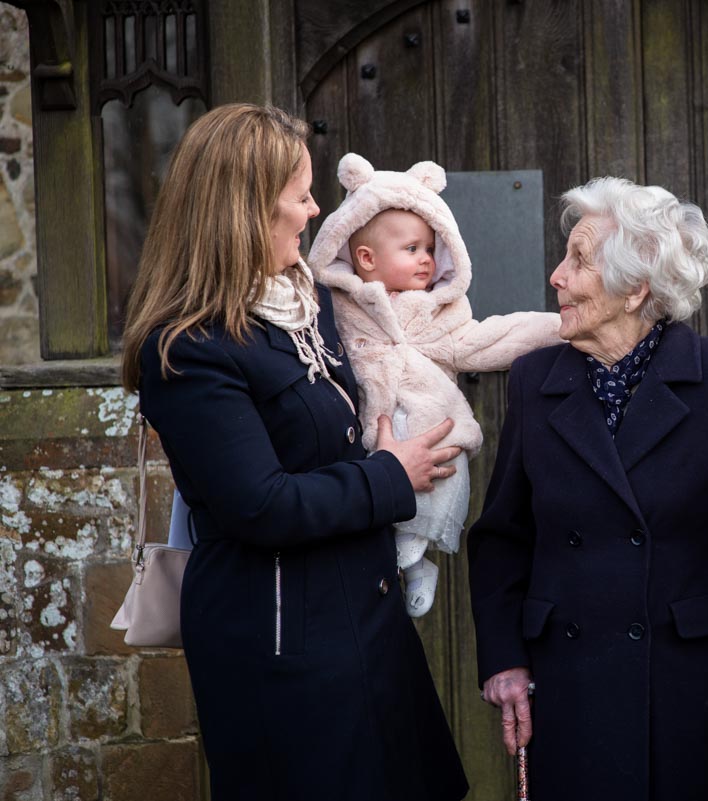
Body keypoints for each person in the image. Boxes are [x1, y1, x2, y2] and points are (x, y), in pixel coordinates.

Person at [120, 104, 469, 801]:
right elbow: (259, 503)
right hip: (283, 655)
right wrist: (388, 476)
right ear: (247, 209)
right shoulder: (188, 347)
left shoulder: (302, 304)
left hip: (366, 630)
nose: (315, 211)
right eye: (301, 195)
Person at [467, 177, 708, 801]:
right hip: (565, 682)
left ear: (636, 288)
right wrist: (504, 658)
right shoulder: (534, 379)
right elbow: (502, 536)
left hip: (679, 684)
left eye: (579, 259)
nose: (556, 277)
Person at [306, 154, 561, 617]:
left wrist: (562, 328)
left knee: (432, 457)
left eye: (430, 248)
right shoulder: (336, 307)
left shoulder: (437, 310)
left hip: (432, 431)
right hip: (365, 437)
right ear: (365, 258)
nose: (426, 259)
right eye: (411, 249)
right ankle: (399, 557)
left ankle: (417, 555)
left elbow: (487, 339)